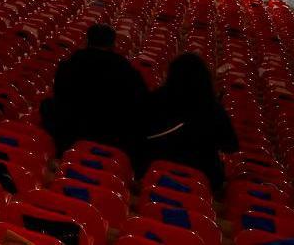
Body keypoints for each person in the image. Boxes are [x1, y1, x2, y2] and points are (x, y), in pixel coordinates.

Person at [134, 53, 238, 193]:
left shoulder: (158, 98)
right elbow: (231, 145)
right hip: (200, 178)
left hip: (154, 170)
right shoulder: (212, 108)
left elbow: (140, 129)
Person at [41, 24, 147, 155]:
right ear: (113, 45)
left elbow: (59, 94)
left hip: (70, 130)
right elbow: (140, 101)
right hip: (109, 134)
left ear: (87, 41)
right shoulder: (126, 70)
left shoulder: (69, 64)